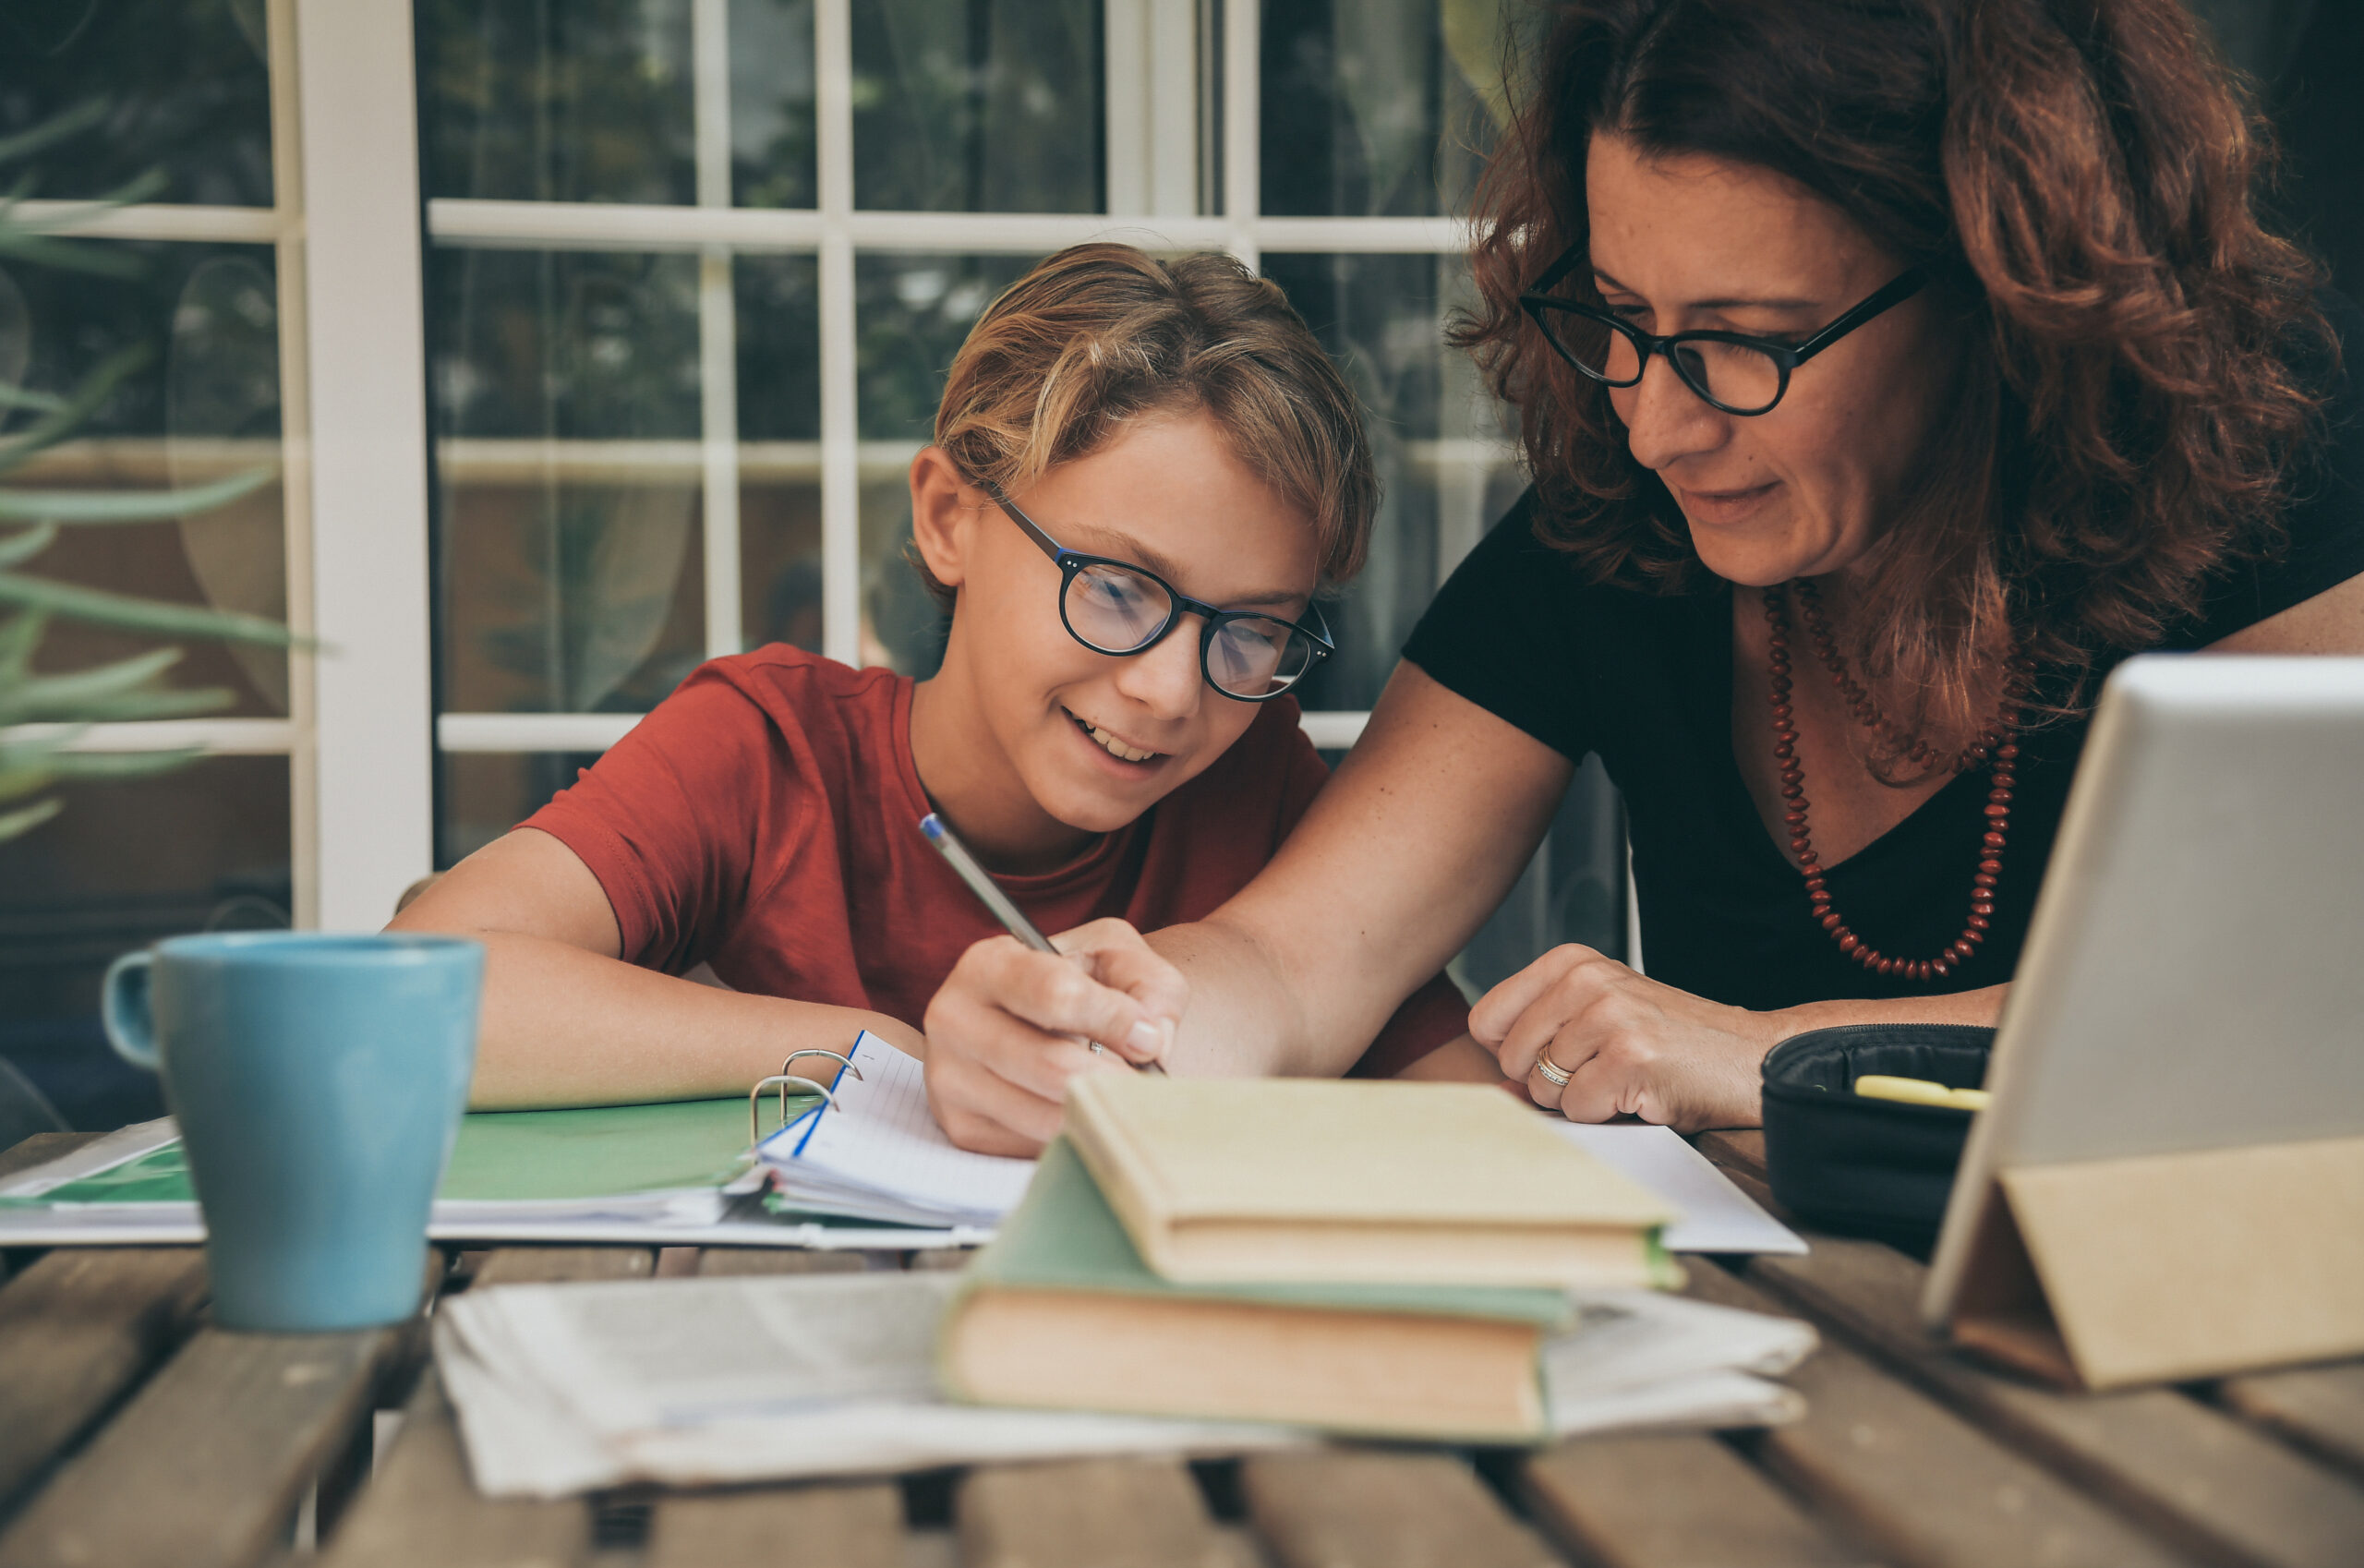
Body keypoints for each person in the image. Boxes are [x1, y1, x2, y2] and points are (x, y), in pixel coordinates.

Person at [921, 0, 2364, 1152]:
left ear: (1999, 290)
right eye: (1620, 317)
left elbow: (2301, 1002)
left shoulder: (2262, 487)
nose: (1657, 423)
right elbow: (1299, 963)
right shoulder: (1614, 528)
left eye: (1748, 338)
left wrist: (1759, 1045)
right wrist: (1121, 1028)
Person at [392, 244, 1472, 1106]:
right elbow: (412, 994)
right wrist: (882, 1052)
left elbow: (1473, 1123)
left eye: (1250, 630)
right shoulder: (769, 752)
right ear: (949, 518)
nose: (1171, 691)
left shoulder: (1258, 788)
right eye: (1114, 588)